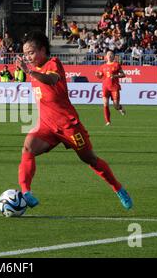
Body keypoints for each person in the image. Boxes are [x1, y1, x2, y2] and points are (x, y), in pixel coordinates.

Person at [15, 31, 132, 210]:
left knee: (90, 159)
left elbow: (51, 80)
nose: (28, 57)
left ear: (42, 50)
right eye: (25, 54)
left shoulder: (53, 64)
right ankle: (26, 192)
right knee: (27, 147)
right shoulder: (33, 70)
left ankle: (118, 188)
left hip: (69, 126)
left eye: (31, 52)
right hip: (47, 126)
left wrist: (29, 71)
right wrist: (28, 71)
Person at [95, 51, 126, 126]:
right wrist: (97, 75)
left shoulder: (116, 65)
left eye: (111, 54)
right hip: (105, 87)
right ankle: (108, 121)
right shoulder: (102, 66)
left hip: (114, 87)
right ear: (106, 56)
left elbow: (123, 74)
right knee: (105, 103)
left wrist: (115, 76)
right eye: (108, 54)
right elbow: (100, 76)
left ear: (113, 56)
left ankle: (120, 107)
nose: (109, 56)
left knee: (116, 105)